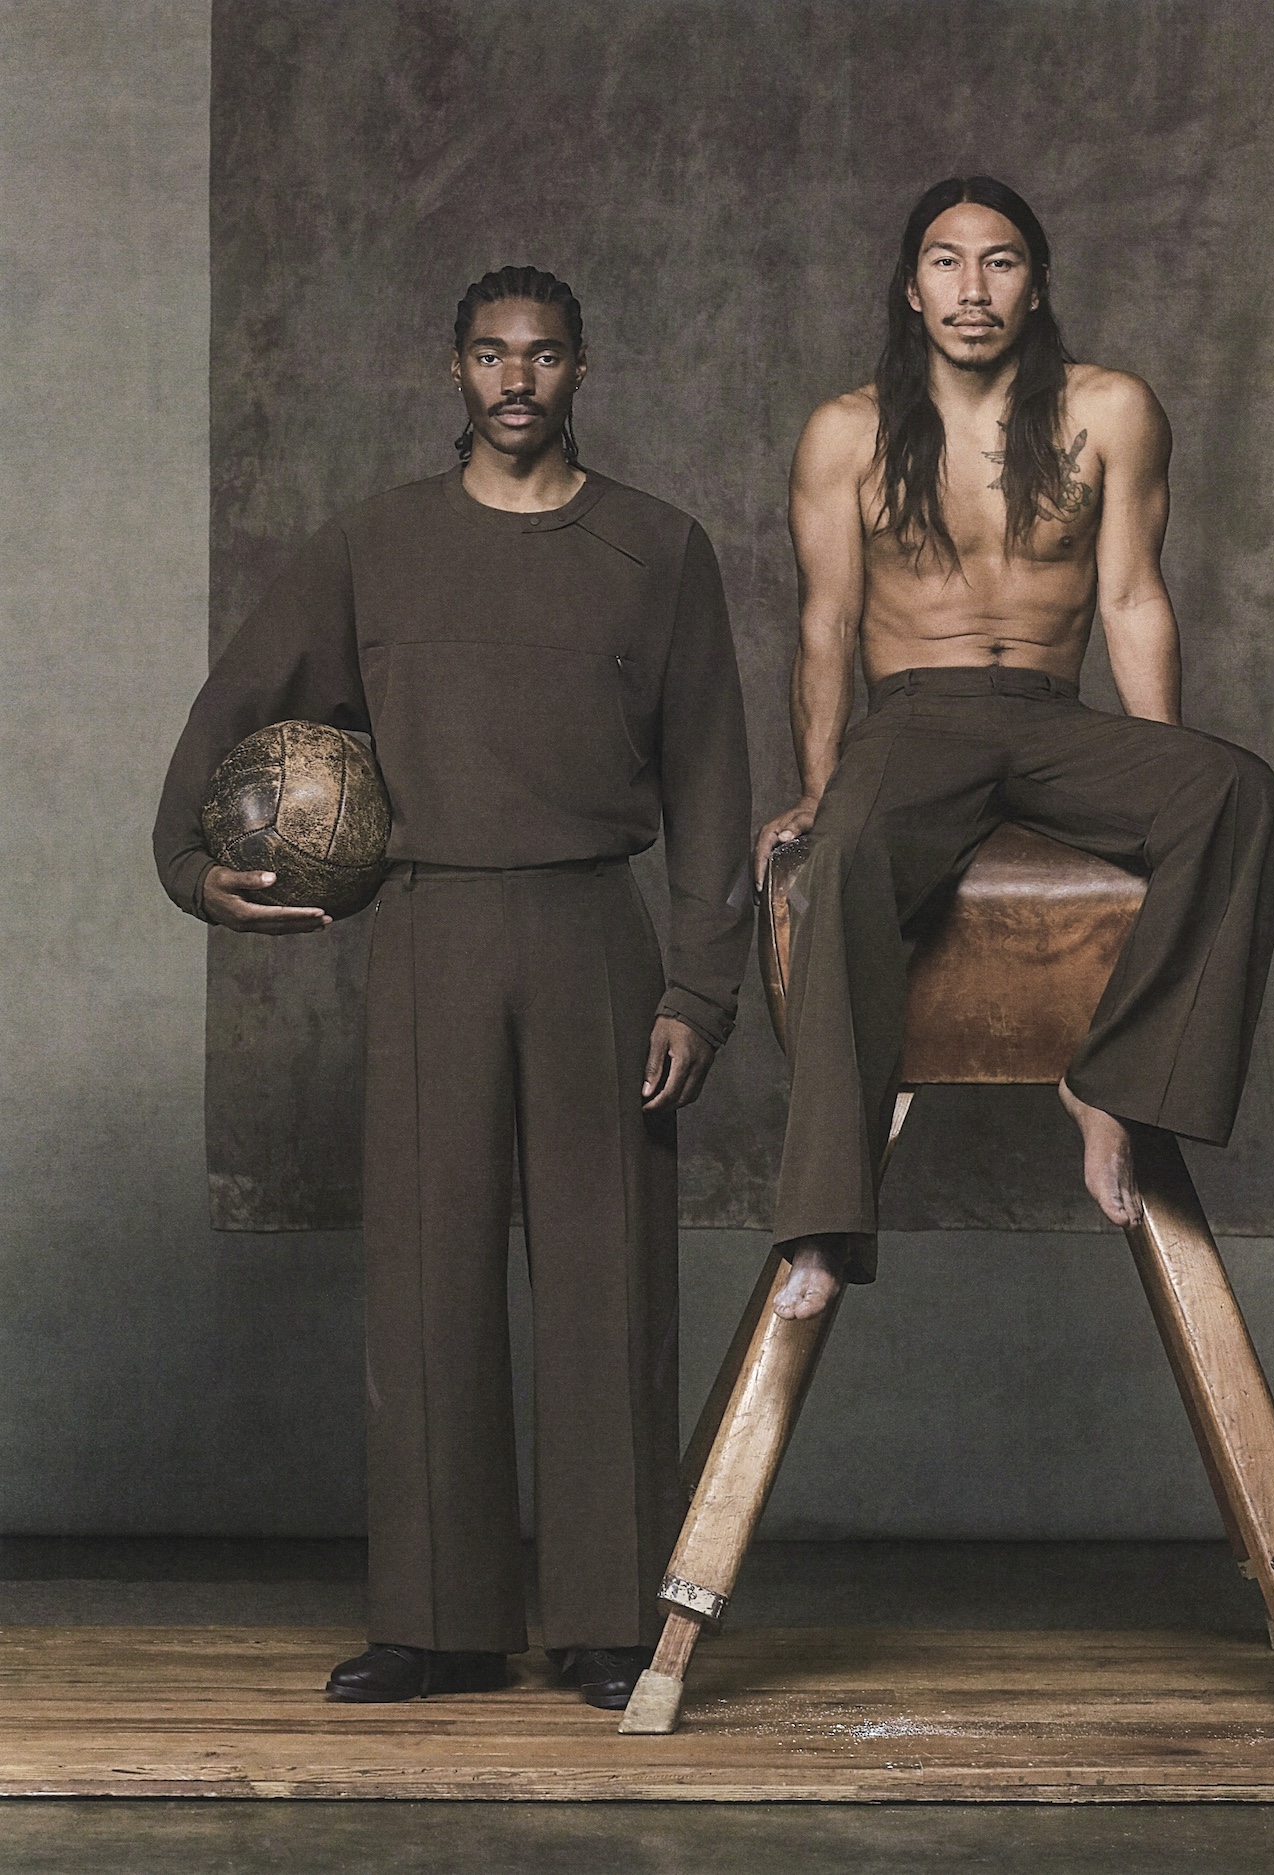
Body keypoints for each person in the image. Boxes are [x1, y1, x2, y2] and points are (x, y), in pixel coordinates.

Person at [154, 267, 752, 1707]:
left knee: (609, 1277)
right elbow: (237, 702)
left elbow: (712, 781)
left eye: (543, 354)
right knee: (428, 1272)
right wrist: (187, 858)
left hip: (594, 931)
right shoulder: (375, 544)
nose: (516, 379)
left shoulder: (658, 548)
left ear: (583, 367)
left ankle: (609, 1616)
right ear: (455, 368)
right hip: (430, 930)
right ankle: (439, 1622)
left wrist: (699, 989)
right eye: (491, 354)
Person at [756, 177, 1274, 1322]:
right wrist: (817, 788)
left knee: (1234, 792)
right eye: (945, 262)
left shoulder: (1111, 410)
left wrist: (1156, 782)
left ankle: (1112, 1087)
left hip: (1052, 715)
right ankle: (824, 1229)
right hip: (915, 716)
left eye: (999, 261)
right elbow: (825, 624)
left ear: (1036, 284)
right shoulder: (847, 431)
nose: (973, 287)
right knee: (842, 861)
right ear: (911, 288)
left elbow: (1133, 598)